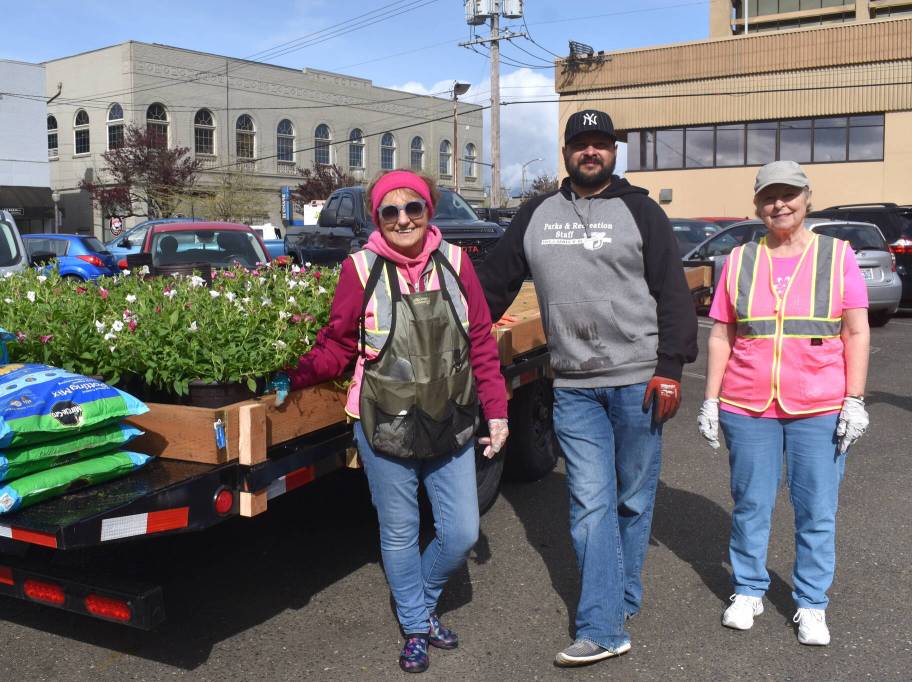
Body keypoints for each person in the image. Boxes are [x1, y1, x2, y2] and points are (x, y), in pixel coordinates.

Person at [478, 109, 698, 667]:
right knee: (589, 504)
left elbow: (673, 291)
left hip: (637, 382)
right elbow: (491, 283)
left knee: (631, 497)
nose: (592, 152)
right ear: (567, 152)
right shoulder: (537, 213)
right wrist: (436, 301)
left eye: (602, 144)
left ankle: (619, 597)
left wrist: (670, 367)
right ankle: (603, 626)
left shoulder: (640, 211)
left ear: (613, 152)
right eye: (583, 144)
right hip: (573, 385)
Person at [272, 169, 509, 674]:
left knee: (462, 531)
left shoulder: (457, 262)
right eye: (390, 211)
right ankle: (418, 626)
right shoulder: (360, 268)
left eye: (413, 208)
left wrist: (499, 411)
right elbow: (337, 344)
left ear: (429, 210)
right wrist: (292, 375)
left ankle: (418, 606)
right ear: (377, 218)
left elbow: (482, 341)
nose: (403, 219)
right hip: (384, 419)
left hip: (450, 416)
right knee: (399, 533)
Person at [697, 160, 870, 646]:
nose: (780, 204)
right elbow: (722, 334)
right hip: (748, 402)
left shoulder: (837, 256)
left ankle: (811, 602)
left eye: (789, 194)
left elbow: (856, 332)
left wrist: (854, 400)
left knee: (816, 507)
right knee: (750, 503)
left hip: (819, 404)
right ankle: (748, 589)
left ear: (807, 197)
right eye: (769, 197)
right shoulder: (740, 259)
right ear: (757, 205)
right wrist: (710, 400)